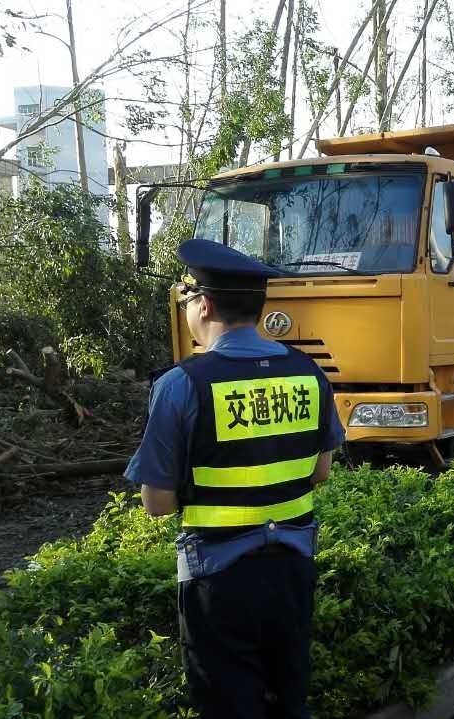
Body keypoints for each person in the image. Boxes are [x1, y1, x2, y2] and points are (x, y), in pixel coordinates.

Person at [125, 239, 345, 719]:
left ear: (203, 305)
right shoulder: (308, 373)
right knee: (288, 700)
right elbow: (320, 471)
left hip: (217, 578)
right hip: (292, 569)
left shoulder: (181, 384)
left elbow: (157, 502)